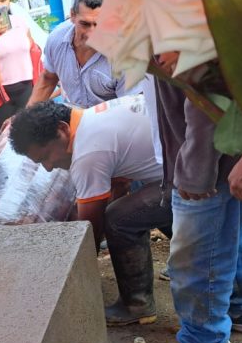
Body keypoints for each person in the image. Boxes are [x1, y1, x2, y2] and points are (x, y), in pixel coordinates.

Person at [10, 99, 171, 326]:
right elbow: (119, 187)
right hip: (190, 165)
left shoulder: (87, 153)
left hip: (188, 179)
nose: (48, 167)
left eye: (46, 156)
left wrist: (75, 277)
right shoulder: (91, 118)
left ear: (62, 129)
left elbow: (89, 230)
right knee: (129, 210)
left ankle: (136, 305)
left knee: (117, 220)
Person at [154, 72, 242, 343]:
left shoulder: (179, 25)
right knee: (237, 223)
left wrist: (195, 171)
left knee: (193, 257)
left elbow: (202, 89)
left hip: (207, 158)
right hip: (233, 150)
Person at [29, 0, 131, 108]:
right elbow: (48, 79)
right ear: (72, 15)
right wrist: (24, 119)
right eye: (85, 24)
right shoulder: (56, 40)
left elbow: (130, 110)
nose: (91, 33)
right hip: (74, 122)